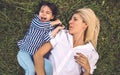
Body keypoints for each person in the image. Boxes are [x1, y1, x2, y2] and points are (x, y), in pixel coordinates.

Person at [34, 7, 100, 75]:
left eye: (75, 19)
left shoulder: (91, 53)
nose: (70, 22)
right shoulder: (62, 35)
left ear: (85, 24)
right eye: (71, 19)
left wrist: (87, 70)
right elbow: (38, 54)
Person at [17, 1, 64, 75]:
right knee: (31, 70)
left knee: (48, 66)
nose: (44, 14)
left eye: (47, 13)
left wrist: (57, 29)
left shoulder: (50, 28)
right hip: (24, 52)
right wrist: (56, 22)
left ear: (52, 17)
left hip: (35, 57)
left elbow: (46, 38)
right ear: (38, 13)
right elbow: (41, 26)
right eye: (42, 11)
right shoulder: (35, 21)